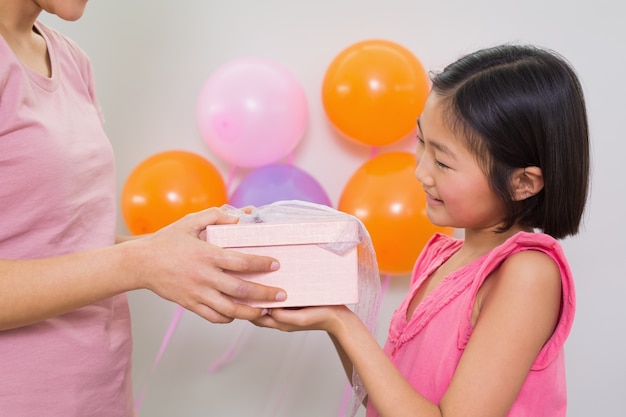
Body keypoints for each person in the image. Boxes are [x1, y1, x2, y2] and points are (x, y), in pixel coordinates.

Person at [253, 43, 590, 417]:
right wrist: (332, 313)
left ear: (523, 183)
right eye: (421, 142)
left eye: (443, 162)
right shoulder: (441, 257)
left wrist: (343, 323)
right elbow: (388, 400)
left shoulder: (528, 274)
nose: (420, 171)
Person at [0, 1, 287, 416]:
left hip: (100, 392)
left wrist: (181, 252)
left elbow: (61, 239)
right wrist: (142, 263)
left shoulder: (70, 59)